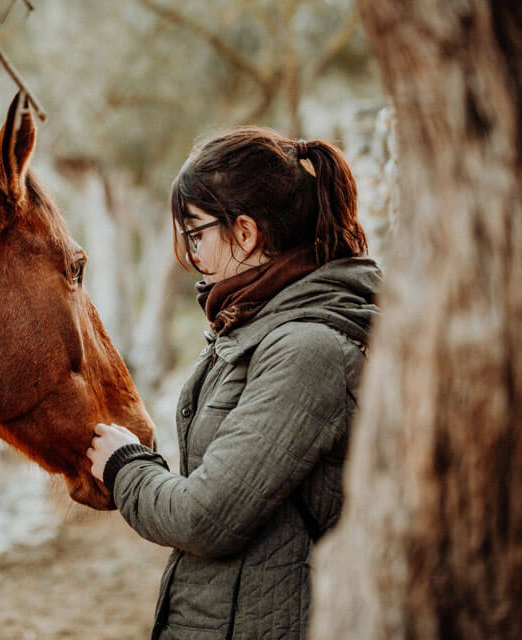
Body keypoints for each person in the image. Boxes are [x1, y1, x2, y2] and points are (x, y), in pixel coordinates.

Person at [87, 127, 381, 640]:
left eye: (196, 233)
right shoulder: (259, 323)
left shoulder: (307, 350)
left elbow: (206, 516)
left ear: (245, 234)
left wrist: (125, 468)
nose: (193, 255)